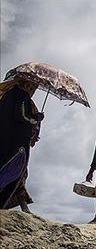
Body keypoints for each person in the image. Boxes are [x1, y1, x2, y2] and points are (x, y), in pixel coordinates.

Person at [0, 78, 44, 209]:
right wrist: (37, 118)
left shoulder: (7, 94)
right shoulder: (21, 95)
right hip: (17, 144)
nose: (33, 89)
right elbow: (22, 116)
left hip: (4, 142)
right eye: (32, 86)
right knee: (16, 170)